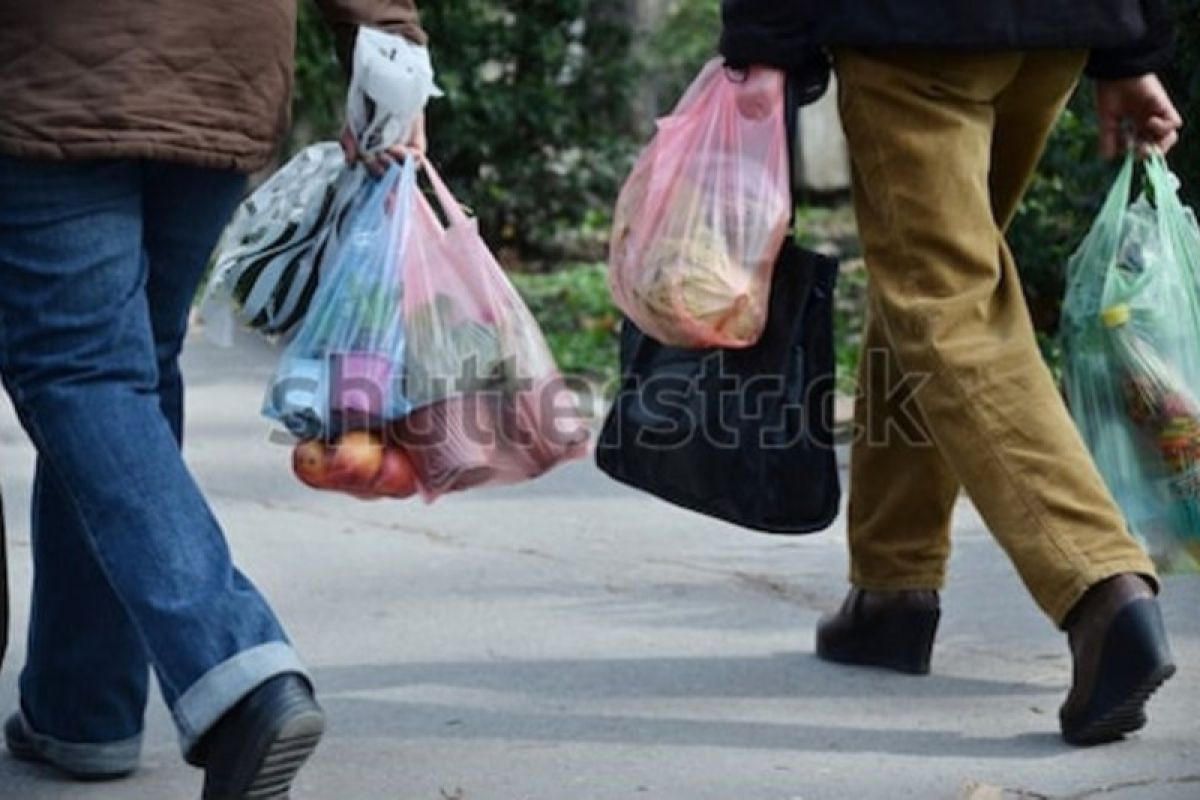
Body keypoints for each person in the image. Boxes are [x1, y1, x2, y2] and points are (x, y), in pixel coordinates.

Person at [721, 1, 1183, 745]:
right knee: (928, 279)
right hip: (1054, 33)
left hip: (917, 36)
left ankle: (1099, 585)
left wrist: (762, 42)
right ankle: (892, 587)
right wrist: (1133, 48)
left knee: (945, 303)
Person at [0, 1, 427, 796]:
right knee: (127, 374)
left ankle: (236, 673)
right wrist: (391, 44)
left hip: (49, 64)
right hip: (222, 62)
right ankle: (82, 707)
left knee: (83, 373)